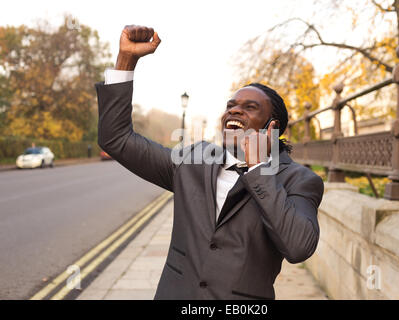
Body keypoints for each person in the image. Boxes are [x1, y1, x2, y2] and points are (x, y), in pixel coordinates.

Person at [96, 25, 324, 300]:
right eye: (231, 105)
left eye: (250, 107)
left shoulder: (299, 180)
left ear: (272, 127)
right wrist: (126, 61)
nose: (234, 109)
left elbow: (299, 247)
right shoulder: (192, 162)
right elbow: (116, 139)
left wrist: (258, 169)